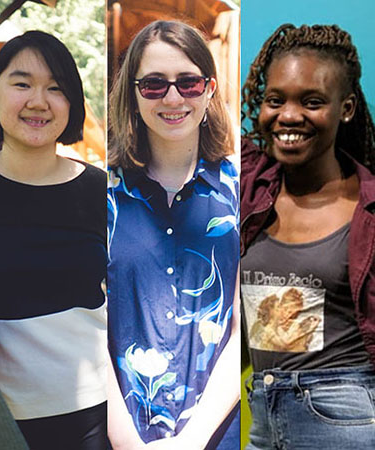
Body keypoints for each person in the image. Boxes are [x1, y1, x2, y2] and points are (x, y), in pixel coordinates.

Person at [106, 20, 240, 449]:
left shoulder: (246, 192)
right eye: (154, 85)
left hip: (218, 434)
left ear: (210, 88)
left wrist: (191, 441)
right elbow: (84, 336)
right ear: (133, 92)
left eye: (188, 83)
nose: (173, 97)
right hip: (120, 433)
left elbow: (247, 331)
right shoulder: (95, 198)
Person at [240, 23, 375, 449]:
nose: (289, 116)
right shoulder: (247, 184)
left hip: (345, 416)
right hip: (264, 411)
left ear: (346, 108)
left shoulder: (368, 209)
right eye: (275, 100)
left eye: (312, 102)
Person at [0, 30, 109, 449]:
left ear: (72, 105)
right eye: (22, 84)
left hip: (94, 412)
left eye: (56, 88)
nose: (38, 101)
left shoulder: (102, 192)